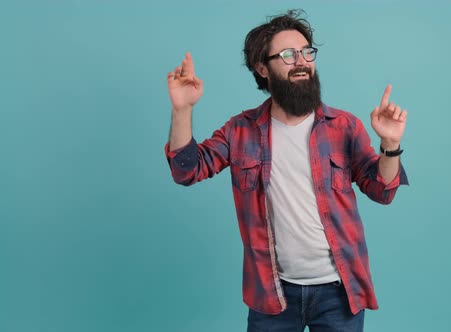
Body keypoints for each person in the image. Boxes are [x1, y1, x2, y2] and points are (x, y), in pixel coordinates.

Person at [164, 9, 409, 332]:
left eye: (307, 52)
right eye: (288, 55)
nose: (302, 61)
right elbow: (187, 171)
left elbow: (383, 191)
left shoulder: (344, 126)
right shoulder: (241, 131)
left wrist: (390, 145)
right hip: (272, 294)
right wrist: (182, 111)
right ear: (262, 68)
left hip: (339, 291)